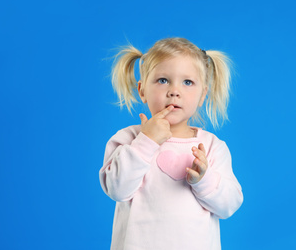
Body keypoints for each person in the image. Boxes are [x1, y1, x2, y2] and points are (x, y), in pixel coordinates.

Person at [99, 37, 243, 250]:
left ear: (202, 94)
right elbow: (117, 190)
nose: (174, 91)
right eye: (163, 80)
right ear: (142, 90)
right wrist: (146, 142)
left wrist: (204, 179)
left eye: (187, 82)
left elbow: (229, 206)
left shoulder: (211, 146)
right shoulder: (128, 140)